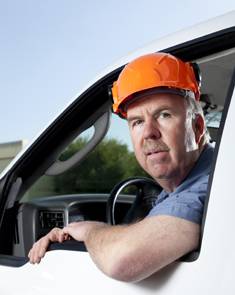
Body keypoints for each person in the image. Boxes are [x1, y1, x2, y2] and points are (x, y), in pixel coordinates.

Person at [28, 52, 214, 282]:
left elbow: (120, 261)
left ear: (197, 128)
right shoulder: (182, 185)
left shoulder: (208, 185)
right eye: (137, 122)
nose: (148, 133)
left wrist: (88, 230)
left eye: (164, 115)